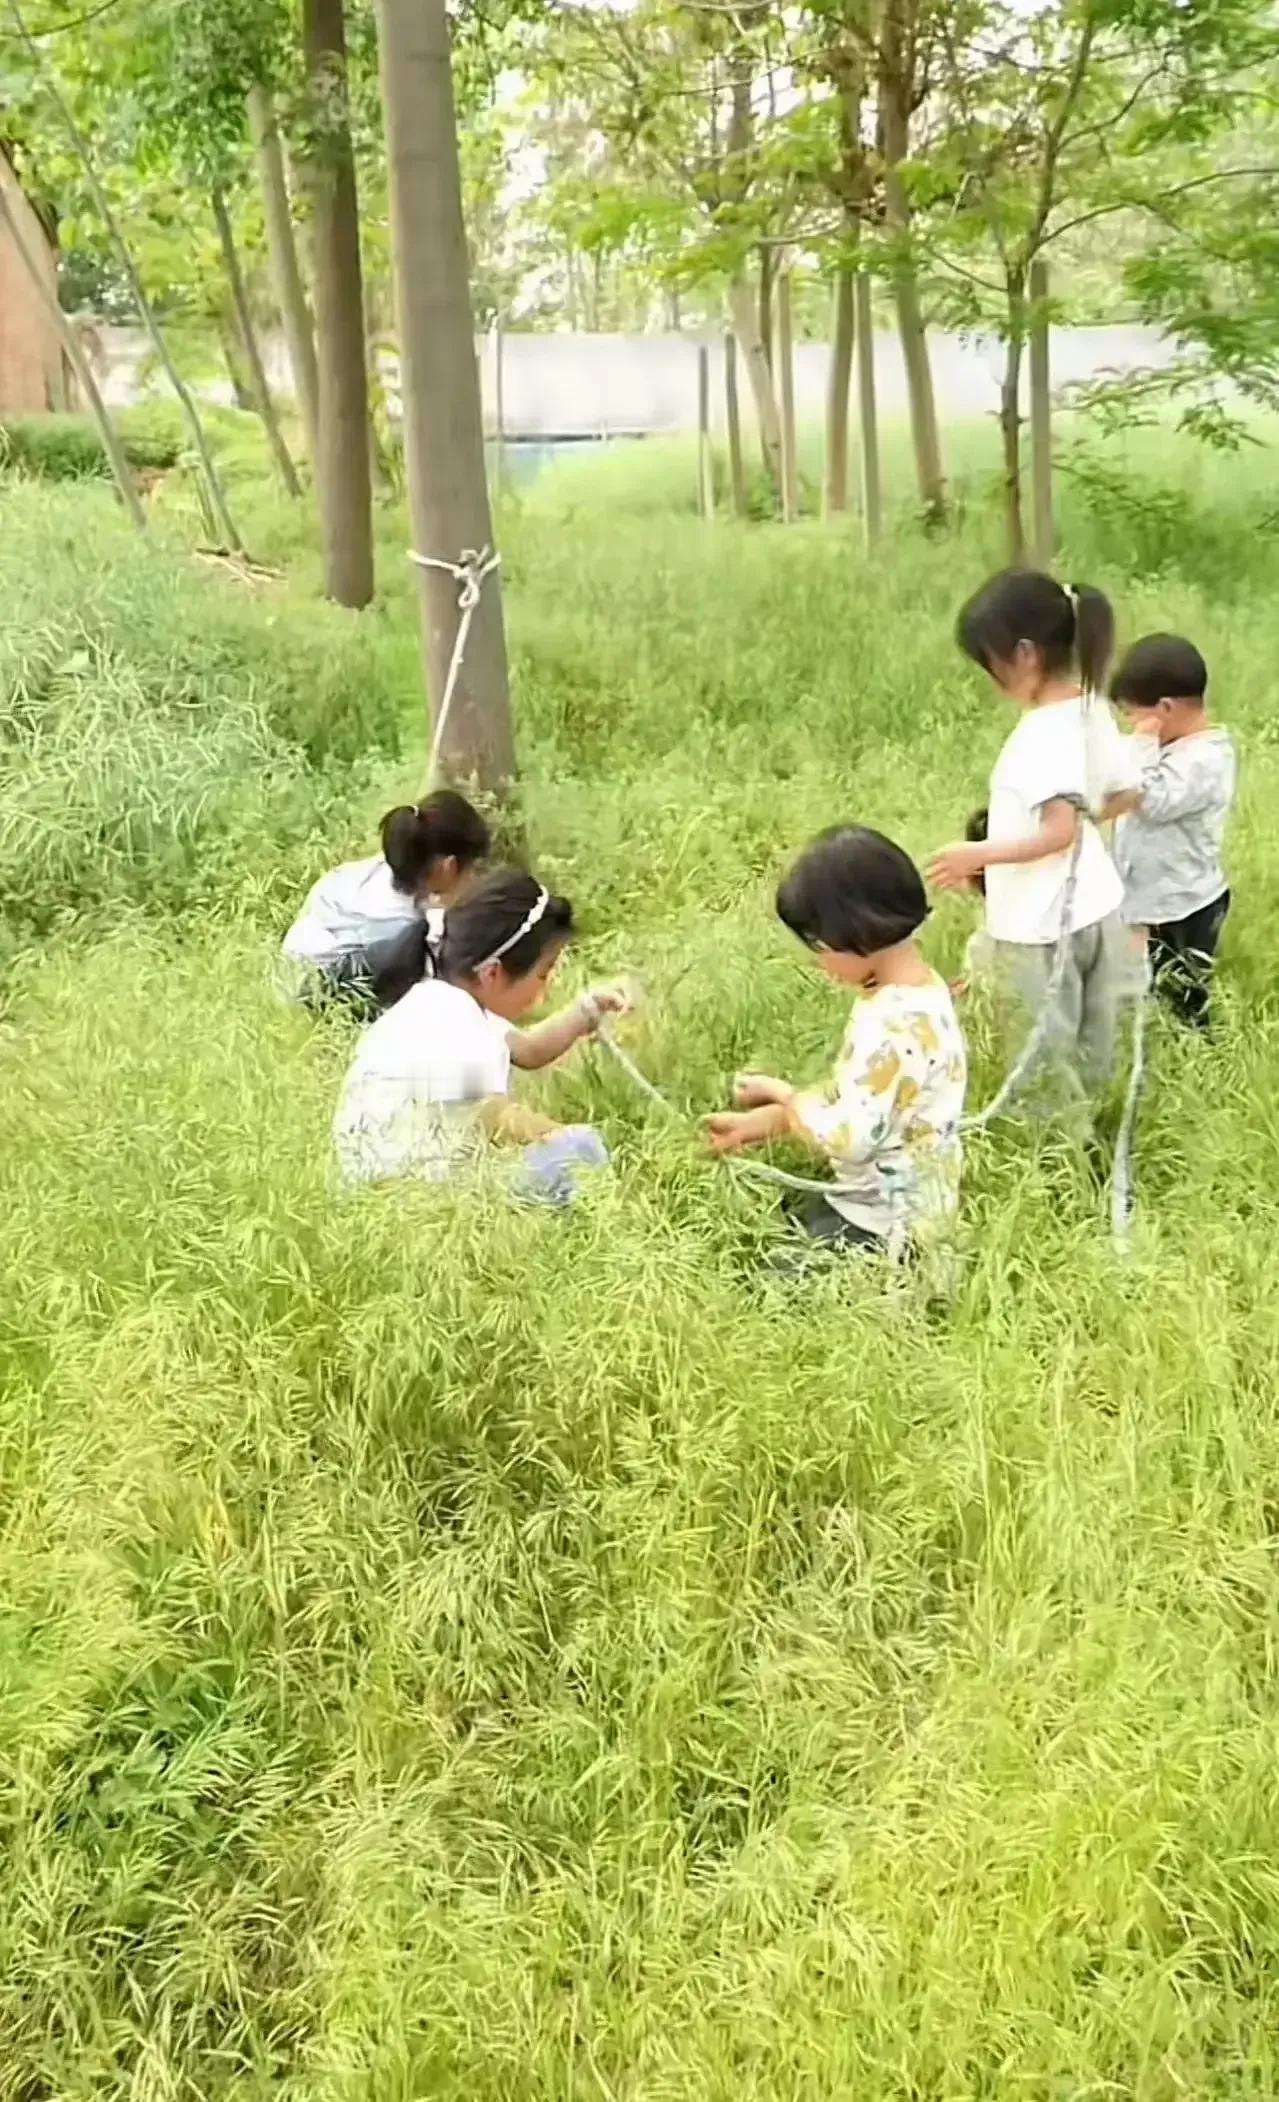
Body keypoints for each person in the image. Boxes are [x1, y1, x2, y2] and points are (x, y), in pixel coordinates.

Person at [927, 569, 1140, 1104]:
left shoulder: (1041, 733)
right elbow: (1126, 794)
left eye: (989, 663)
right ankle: (1098, 1132)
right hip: (1098, 907)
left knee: (1043, 1060)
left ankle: (1058, 1164)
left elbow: (1058, 832)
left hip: (1042, 927)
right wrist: (1084, 814)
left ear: (1024, 654)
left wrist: (976, 854)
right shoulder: (1092, 707)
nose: (990, 677)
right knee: (1094, 1044)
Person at [706, 826, 966, 1260]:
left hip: (889, 1228)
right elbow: (864, 1096)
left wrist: (787, 1100)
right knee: (783, 1227)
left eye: (819, 946)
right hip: (887, 1202)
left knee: (766, 1275)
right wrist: (766, 1120)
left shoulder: (895, 1026)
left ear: (856, 933)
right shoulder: (917, 991)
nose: (817, 960)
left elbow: (849, 1139)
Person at [333, 866, 625, 1202]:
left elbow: (528, 1049)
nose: (547, 989)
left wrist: (587, 1011)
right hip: (418, 1198)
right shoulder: (463, 1030)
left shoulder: (436, 1002)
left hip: (376, 1189)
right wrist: (570, 1138)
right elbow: (502, 1119)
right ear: (492, 973)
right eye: (543, 975)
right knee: (581, 1148)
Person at [1109, 632, 1236, 1029]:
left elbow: (1152, 798)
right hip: (1155, 900)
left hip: (1186, 904)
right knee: (1147, 986)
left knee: (1184, 997)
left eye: (1134, 716)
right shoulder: (1167, 749)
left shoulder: (1205, 760)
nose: (1131, 727)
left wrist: (1142, 743)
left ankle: (1205, 1058)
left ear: (1163, 709)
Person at [282, 789, 491, 1017]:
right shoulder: (405, 935)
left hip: (286, 980)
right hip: (315, 1004)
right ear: (448, 866)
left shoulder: (358, 874)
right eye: (471, 869)